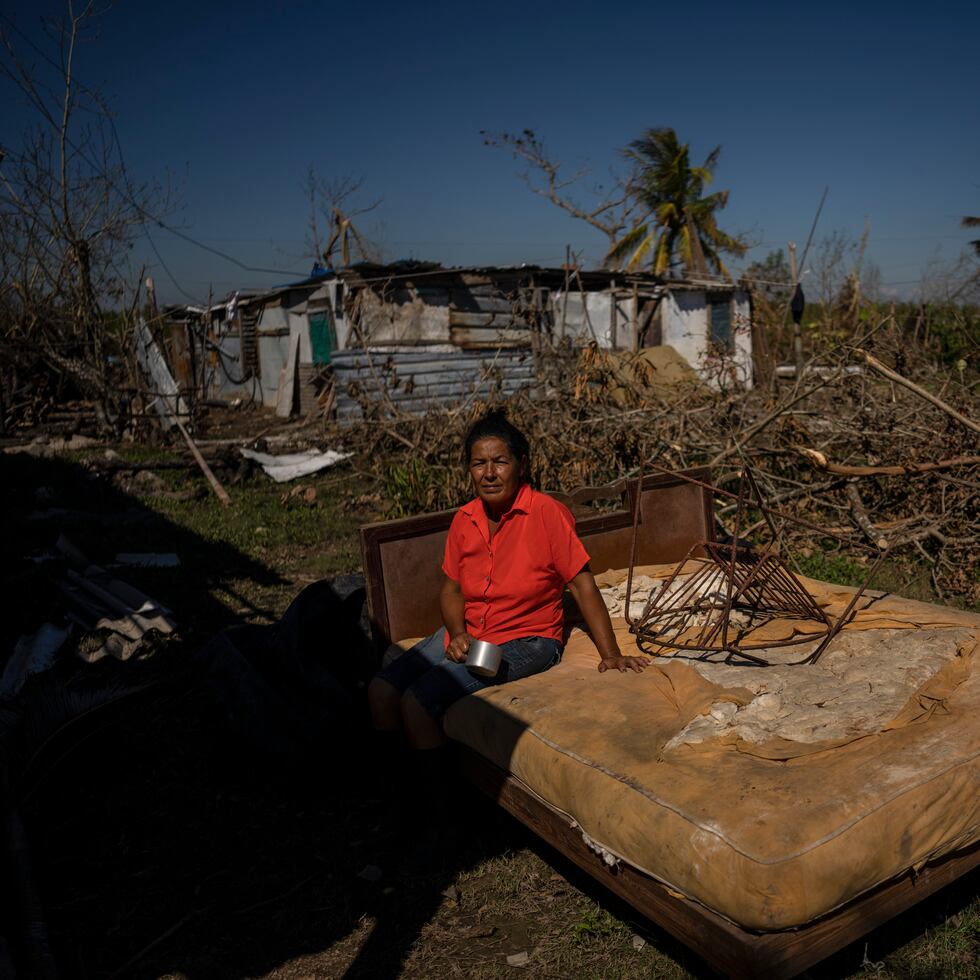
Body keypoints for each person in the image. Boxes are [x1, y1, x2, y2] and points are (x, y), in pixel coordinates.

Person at [367, 410, 646, 861]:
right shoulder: (465, 520)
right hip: (472, 628)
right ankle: (400, 804)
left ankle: (446, 824)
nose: (489, 472)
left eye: (500, 461)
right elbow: (451, 589)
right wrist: (456, 632)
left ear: (522, 464)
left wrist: (610, 652)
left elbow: (583, 585)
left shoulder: (547, 515)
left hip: (529, 638)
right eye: (479, 463)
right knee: (381, 690)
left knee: (417, 703)